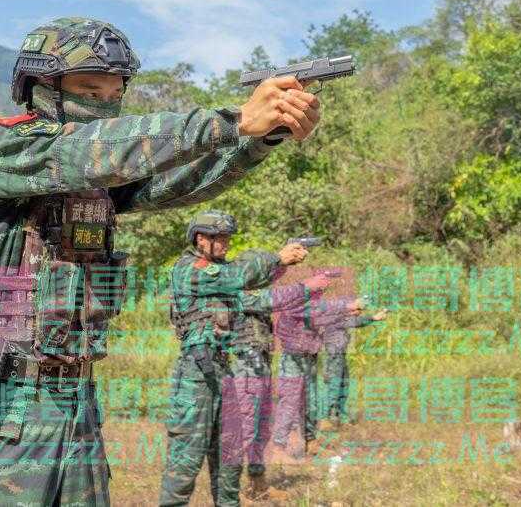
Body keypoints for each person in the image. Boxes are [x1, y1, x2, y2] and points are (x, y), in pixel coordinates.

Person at [0, 18, 320, 507]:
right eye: (90, 86)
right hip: (1, 405)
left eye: (115, 90)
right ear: (40, 85)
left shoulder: (97, 179)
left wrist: (261, 138)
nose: (105, 101)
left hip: (75, 399)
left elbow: (181, 180)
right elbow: (96, 150)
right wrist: (230, 120)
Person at [158, 212, 331, 506]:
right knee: (185, 465)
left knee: (230, 462)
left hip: (223, 372)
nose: (226, 244)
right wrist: (277, 257)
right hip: (195, 376)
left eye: (227, 238)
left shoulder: (220, 280)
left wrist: (302, 287)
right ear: (201, 239)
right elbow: (238, 275)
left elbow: (257, 297)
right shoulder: (191, 269)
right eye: (220, 238)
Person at [269, 294, 362, 459]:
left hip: (309, 359)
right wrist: (347, 306)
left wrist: (348, 313)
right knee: (289, 404)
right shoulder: (297, 304)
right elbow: (321, 309)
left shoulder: (313, 311)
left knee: (311, 403)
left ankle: (311, 443)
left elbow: (327, 318)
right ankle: (278, 448)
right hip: (293, 360)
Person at [318, 307, 388, 432]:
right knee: (333, 386)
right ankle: (327, 418)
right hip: (333, 356)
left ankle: (339, 414)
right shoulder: (338, 317)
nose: (359, 312)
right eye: (357, 309)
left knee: (344, 384)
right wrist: (373, 317)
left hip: (339, 355)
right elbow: (356, 322)